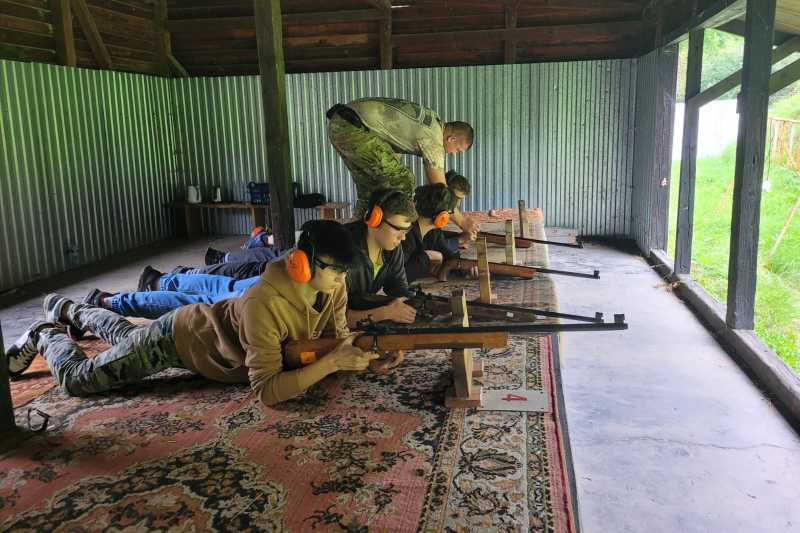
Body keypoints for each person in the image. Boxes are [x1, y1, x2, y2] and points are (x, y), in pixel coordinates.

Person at [5, 221, 379, 406]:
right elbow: (267, 390)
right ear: (301, 264)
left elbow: (334, 340)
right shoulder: (262, 303)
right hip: (179, 338)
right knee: (79, 380)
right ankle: (44, 333)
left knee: (127, 338)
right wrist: (332, 364)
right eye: (335, 270)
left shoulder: (333, 284)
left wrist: (366, 355)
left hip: (203, 341)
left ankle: (73, 310)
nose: (342, 278)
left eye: (345, 271)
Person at [326, 97, 479, 234]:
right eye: (457, 150)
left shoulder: (432, 120)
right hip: (353, 129)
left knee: (371, 190)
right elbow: (441, 191)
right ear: (451, 139)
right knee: (404, 180)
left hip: (341, 122)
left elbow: (390, 148)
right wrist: (463, 222)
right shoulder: (433, 139)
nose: (453, 153)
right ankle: (402, 237)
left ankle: (356, 235)